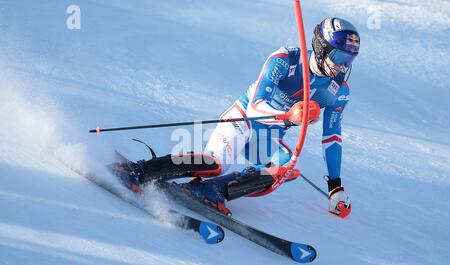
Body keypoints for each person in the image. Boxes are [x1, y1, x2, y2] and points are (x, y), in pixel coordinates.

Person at [111, 17, 360, 217]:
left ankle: (210, 191)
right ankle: (137, 170)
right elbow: (256, 105)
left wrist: (335, 187)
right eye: (339, 56)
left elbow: (332, 138)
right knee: (217, 163)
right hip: (243, 119)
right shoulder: (285, 59)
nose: (342, 65)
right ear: (321, 47)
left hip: (269, 135)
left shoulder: (338, 90)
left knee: (286, 167)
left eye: (349, 59)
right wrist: (288, 115)